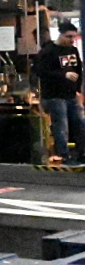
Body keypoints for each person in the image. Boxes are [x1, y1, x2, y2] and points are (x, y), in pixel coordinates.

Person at [33, 21, 85, 164]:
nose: (71, 40)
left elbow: (78, 70)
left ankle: (82, 152)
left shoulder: (73, 51)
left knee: (80, 124)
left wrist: (78, 90)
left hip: (70, 94)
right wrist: (63, 75)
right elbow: (40, 71)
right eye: (68, 37)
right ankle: (64, 154)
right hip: (54, 95)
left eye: (73, 37)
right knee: (61, 126)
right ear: (61, 35)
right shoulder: (49, 51)